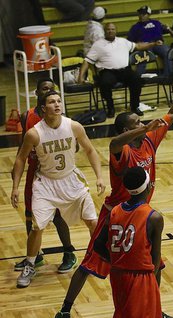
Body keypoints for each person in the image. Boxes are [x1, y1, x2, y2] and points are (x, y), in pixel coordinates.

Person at [54, 70, 173, 318]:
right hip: (115, 214)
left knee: (154, 264)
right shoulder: (123, 150)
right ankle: (65, 311)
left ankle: (154, 309)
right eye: (137, 122)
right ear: (128, 128)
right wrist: (145, 128)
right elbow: (113, 142)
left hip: (140, 213)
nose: (143, 123)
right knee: (90, 264)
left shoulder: (149, 139)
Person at [10, 90, 106, 288]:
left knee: (92, 221)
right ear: (44, 108)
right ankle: (30, 264)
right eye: (52, 102)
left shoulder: (73, 126)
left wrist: (99, 176)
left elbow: (90, 149)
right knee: (37, 227)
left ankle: (99, 258)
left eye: (59, 101)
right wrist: (15, 188)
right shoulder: (34, 133)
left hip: (71, 179)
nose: (57, 104)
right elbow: (20, 159)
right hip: (46, 184)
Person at [14, 78, 77, 274]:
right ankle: (35, 257)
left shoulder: (61, 118)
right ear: (37, 94)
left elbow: (74, 145)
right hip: (34, 172)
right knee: (31, 218)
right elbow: (22, 150)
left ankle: (69, 252)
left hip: (53, 173)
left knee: (58, 217)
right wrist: (16, 177)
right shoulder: (27, 117)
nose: (48, 91)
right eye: (44, 89)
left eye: (51, 89)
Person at [93, 166, 163, 318]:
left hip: (117, 275)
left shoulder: (114, 211)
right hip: (142, 277)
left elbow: (98, 244)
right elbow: (156, 258)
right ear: (148, 186)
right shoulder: (154, 218)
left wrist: (117, 261)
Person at [80, 22, 162, 118]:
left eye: (113, 29)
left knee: (136, 79)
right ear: (104, 31)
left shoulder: (123, 41)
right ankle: (110, 108)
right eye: (108, 29)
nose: (110, 31)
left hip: (125, 70)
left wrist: (153, 44)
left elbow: (138, 46)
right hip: (108, 71)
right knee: (104, 84)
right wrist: (80, 77)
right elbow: (87, 61)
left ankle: (134, 106)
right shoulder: (98, 45)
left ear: (116, 31)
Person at [127, 6, 172, 77]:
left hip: (157, 44)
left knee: (167, 51)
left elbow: (168, 31)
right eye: (140, 14)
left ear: (149, 15)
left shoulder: (156, 23)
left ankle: (167, 77)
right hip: (144, 47)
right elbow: (130, 42)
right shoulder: (135, 27)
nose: (141, 16)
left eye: (144, 14)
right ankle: (139, 79)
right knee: (142, 57)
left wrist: (168, 29)